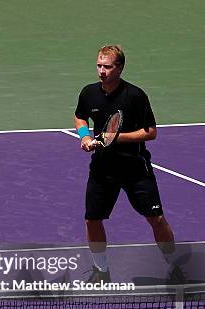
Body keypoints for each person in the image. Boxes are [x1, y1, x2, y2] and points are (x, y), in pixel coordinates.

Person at [73, 45, 183, 284]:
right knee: (92, 219)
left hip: (135, 169)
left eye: (107, 66)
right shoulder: (89, 93)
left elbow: (151, 132)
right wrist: (84, 135)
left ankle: (174, 265)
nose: (101, 71)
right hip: (102, 168)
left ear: (120, 68)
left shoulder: (135, 96)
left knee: (156, 219)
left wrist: (114, 138)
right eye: (99, 65)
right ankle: (101, 271)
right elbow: (80, 115)